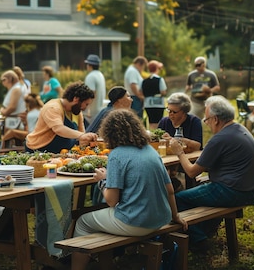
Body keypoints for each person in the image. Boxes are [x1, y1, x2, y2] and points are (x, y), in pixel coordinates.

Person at [71, 109, 187, 269]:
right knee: (99, 214)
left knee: (82, 221)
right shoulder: (151, 151)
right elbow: (170, 190)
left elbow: (112, 201)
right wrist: (176, 216)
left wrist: (102, 180)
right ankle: (100, 259)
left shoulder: (117, 155)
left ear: (109, 133)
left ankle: (77, 265)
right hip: (161, 218)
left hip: (136, 223)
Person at [171, 95, 254, 247]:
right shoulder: (239, 129)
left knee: (176, 199)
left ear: (216, 119)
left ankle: (199, 240)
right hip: (251, 190)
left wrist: (179, 152)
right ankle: (204, 232)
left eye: (206, 120)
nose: (206, 124)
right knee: (195, 189)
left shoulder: (219, 138)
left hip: (233, 191)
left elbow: (192, 172)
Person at [25, 82, 98, 153]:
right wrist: (82, 135)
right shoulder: (53, 108)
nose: (86, 108)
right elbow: (58, 129)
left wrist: (87, 140)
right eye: (86, 104)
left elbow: (81, 137)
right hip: (38, 150)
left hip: (60, 153)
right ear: (76, 99)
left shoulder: (77, 112)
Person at [142, 60, 167, 129]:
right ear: (157, 69)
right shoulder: (159, 79)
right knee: (158, 122)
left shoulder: (144, 81)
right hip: (158, 104)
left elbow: (142, 92)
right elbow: (163, 91)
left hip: (148, 104)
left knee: (151, 122)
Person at [83, 54, 106, 123]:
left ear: (89, 65)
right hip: (100, 110)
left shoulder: (91, 76)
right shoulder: (100, 75)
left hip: (92, 112)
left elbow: (91, 93)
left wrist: (88, 109)